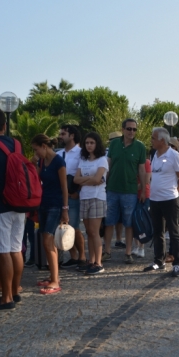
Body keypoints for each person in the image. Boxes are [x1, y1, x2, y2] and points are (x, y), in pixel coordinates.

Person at [0, 109, 27, 310]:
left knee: (2, 252)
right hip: (19, 203)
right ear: (4, 125)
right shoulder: (17, 144)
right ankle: (15, 291)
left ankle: (6, 297)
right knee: (15, 249)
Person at [144, 127, 179, 277]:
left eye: (153, 138)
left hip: (169, 199)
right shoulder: (154, 154)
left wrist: (173, 193)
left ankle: (178, 263)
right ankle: (159, 260)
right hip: (155, 200)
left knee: (174, 232)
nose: (151, 140)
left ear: (162, 140)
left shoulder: (174, 156)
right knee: (158, 232)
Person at [105, 119, 147, 264]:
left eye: (134, 129)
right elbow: (108, 165)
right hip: (112, 189)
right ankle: (107, 251)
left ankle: (128, 252)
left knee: (129, 223)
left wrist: (142, 190)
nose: (132, 132)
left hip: (130, 190)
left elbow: (142, 169)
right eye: (129, 129)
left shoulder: (140, 147)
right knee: (109, 221)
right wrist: (105, 183)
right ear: (123, 129)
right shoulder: (114, 144)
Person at [31, 134, 69, 294]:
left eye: (36, 149)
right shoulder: (41, 161)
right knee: (46, 240)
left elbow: (64, 186)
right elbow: (38, 178)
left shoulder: (59, 162)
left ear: (44, 146)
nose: (35, 152)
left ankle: (55, 280)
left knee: (48, 240)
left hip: (55, 204)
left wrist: (65, 209)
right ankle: (54, 275)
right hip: (43, 203)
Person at [74, 132, 108, 275]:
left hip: (97, 197)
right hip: (84, 197)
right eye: (87, 143)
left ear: (97, 144)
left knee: (94, 232)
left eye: (92, 143)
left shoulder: (102, 160)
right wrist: (91, 180)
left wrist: (86, 180)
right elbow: (76, 179)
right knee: (88, 231)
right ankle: (91, 260)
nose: (89, 145)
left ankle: (99, 262)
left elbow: (97, 179)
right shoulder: (83, 160)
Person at [56, 124, 87, 268]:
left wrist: (77, 192)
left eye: (63, 134)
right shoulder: (59, 153)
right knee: (64, 227)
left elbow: (83, 173)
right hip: (61, 195)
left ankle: (82, 257)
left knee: (74, 227)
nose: (61, 136)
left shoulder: (81, 153)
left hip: (74, 195)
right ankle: (73, 256)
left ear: (72, 136)